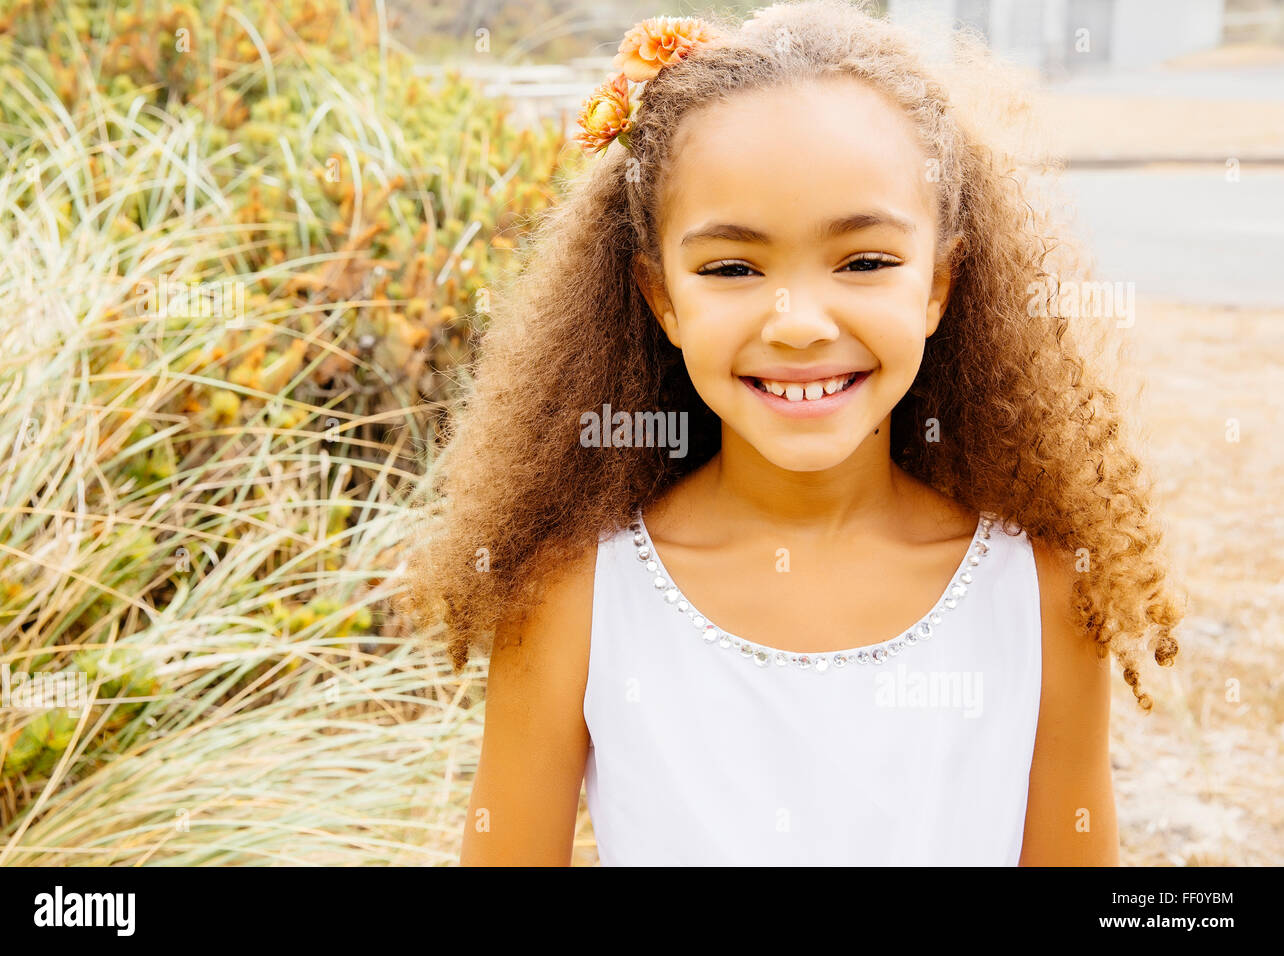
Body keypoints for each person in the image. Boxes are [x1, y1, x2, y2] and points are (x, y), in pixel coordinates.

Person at [396, 0, 1183, 866]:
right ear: (661, 298)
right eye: (732, 267)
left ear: (939, 285)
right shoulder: (574, 597)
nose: (799, 322)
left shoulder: (1039, 593)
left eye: (865, 261)